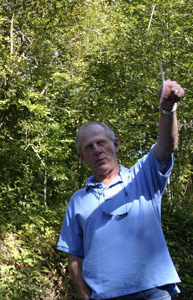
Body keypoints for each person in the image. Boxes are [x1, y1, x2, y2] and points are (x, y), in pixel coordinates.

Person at [57, 80, 185, 300]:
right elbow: (74, 254)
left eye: (101, 142)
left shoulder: (142, 177)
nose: (97, 150)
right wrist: (84, 294)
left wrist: (167, 109)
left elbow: (166, 148)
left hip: (153, 291)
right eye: (89, 147)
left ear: (115, 144)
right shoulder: (77, 201)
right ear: (82, 158)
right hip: (105, 296)